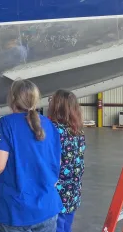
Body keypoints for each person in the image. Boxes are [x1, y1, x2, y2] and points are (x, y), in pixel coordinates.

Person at [0, 80, 63, 232]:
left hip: (16, 210)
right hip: (46, 207)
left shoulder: (5, 124)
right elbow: (56, 162)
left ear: (12, 99)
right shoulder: (49, 125)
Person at [48, 90, 86, 232]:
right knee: (65, 226)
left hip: (57, 193)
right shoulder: (78, 131)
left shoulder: (53, 130)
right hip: (73, 192)